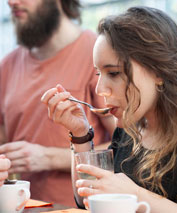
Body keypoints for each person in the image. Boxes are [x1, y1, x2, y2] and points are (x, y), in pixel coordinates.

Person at [41, 6, 177, 212]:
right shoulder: (129, 131)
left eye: (114, 73)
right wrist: (81, 135)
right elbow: (88, 201)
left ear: (159, 72)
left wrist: (136, 195)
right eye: (99, 74)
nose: (100, 89)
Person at [0, 0, 115, 206]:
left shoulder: (98, 55)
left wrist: (48, 157)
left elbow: (128, 147)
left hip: (80, 208)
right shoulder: (7, 65)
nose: (11, 2)